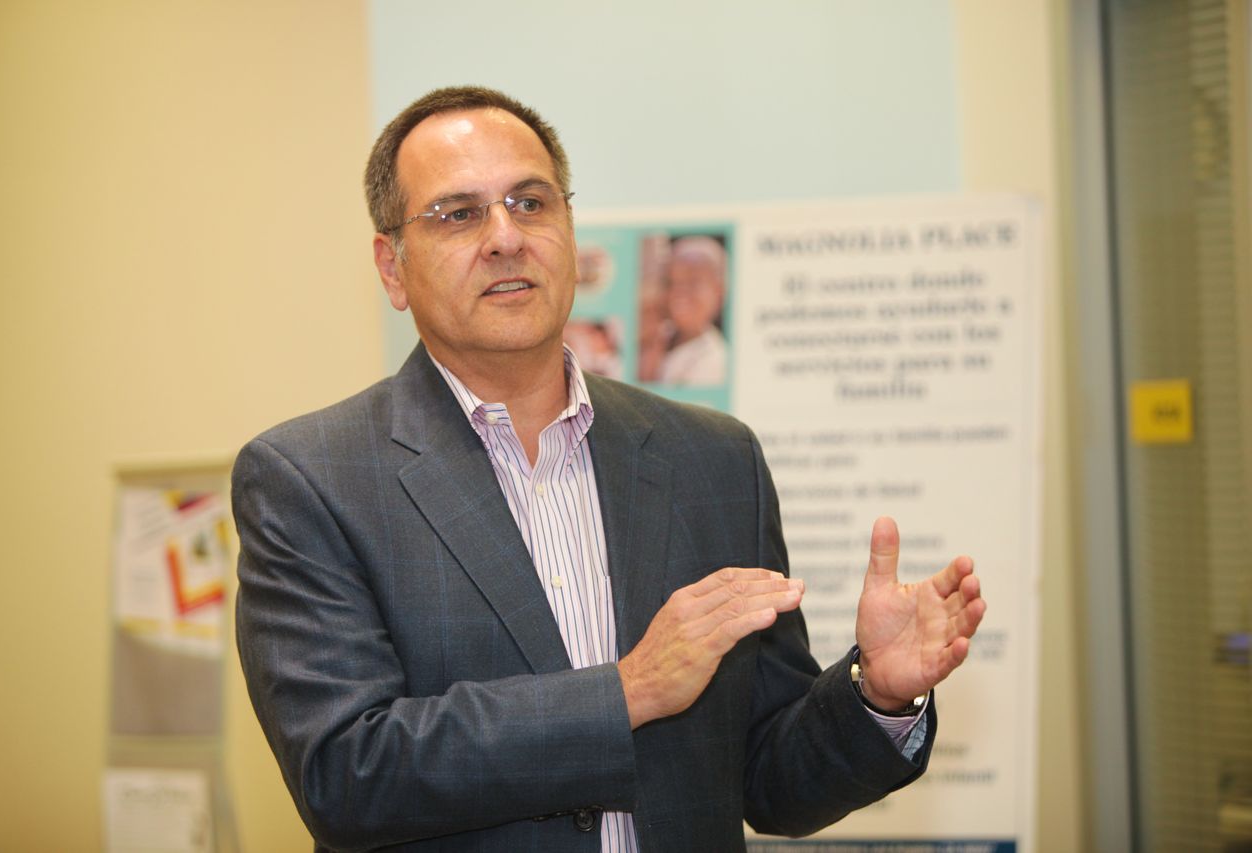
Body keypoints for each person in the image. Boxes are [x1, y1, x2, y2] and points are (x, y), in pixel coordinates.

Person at [233, 86, 986, 853]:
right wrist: (628, 692)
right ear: (392, 268)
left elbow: (769, 778)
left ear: (567, 228)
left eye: (530, 203)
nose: (505, 237)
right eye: (458, 214)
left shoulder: (714, 459)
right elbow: (346, 773)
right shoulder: (312, 479)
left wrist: (875, 693)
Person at [658, 235, 729, 385]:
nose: (679, 292)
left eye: (693, 282)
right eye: (673, 282)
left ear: (719, 292)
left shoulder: (715, 359)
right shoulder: (657, 334)